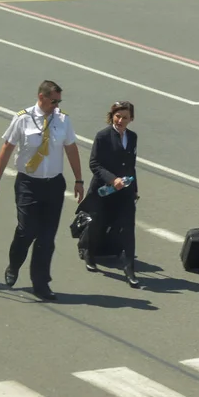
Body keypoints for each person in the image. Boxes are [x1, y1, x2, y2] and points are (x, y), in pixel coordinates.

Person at [0, 80, 84, 300]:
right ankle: (14, 264)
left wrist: (78, 180)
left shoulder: (63, 120)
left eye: (59, 101)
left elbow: (71, 149)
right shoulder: (23, 118)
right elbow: (7, 148)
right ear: (41, 97)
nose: (57, 105)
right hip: (28, 184)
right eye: (54, 100)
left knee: (47, 238)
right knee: (27, 230)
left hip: (54, 185)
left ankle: (41, 284)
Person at [76, 101, 140, 288]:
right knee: (97, 223)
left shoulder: (133, 137)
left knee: (128, 228)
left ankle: (129, 268)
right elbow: (95, 164)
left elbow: (130, 165)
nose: (120, 120)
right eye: (117, 116)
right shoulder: (103, 136)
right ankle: (89, 253)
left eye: (125, 117)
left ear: (131, 119)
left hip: (125, 191)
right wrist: (113, 180)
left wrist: (134, 188)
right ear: (112, 116)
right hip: (104, 189)